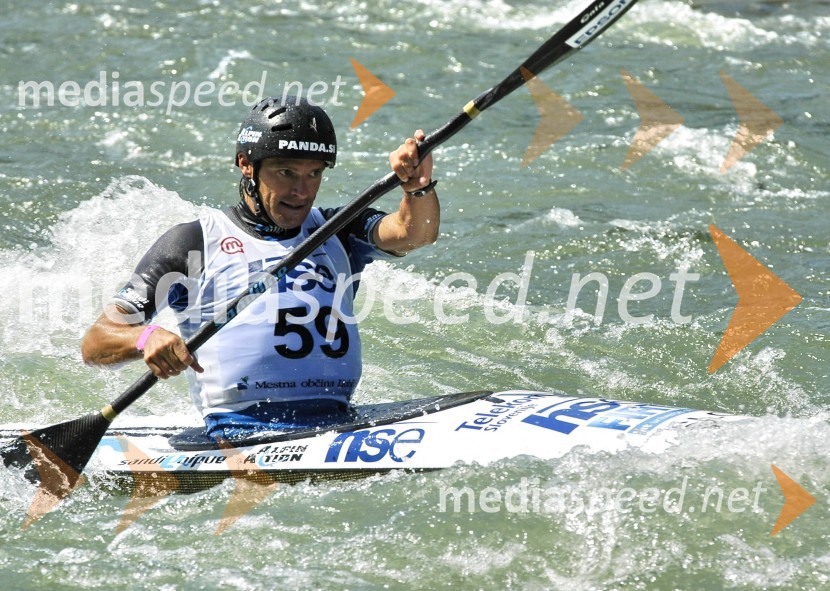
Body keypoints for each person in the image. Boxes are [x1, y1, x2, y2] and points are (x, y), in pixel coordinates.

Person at [81, 95, 440, 440]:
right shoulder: (194, 243)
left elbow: (415, 233)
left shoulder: (339, 230)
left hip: (338, 421)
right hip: (239, 431)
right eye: (286, 172)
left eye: (314, 174)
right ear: (246, 164)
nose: (301, 191)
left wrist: (416, 187)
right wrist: (146, 338)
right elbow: (97, 342)